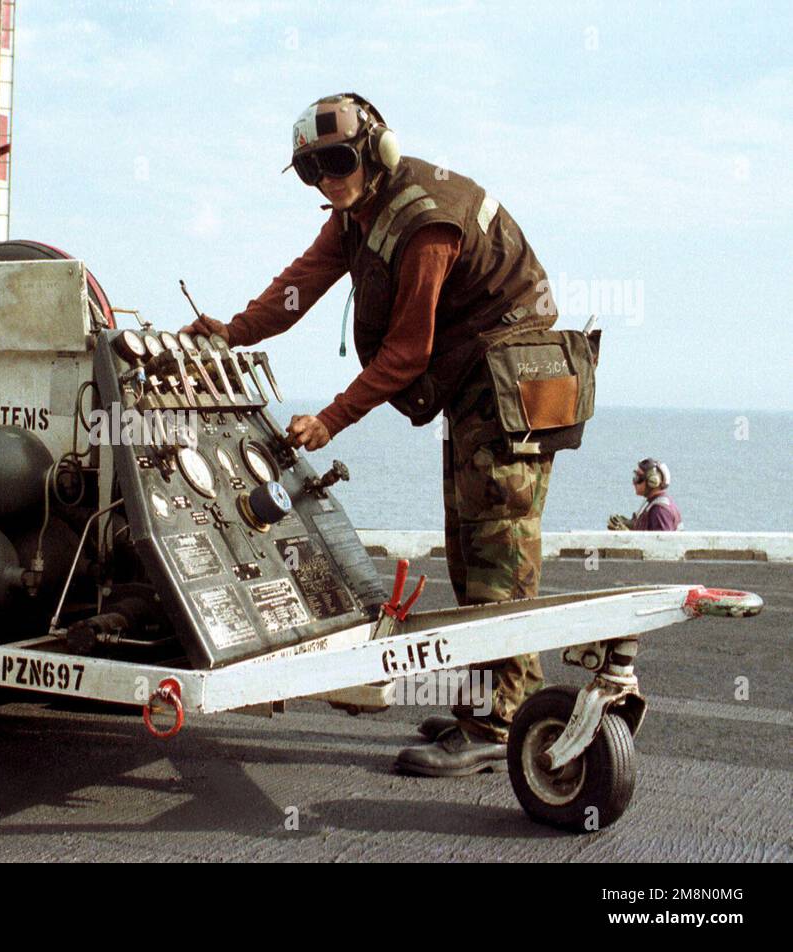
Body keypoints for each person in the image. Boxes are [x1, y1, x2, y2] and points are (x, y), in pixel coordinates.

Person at [181, 93, 557, 777]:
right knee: (471, 548)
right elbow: (300, 288)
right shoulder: (358, 217)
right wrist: (231, 333)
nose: (326, 179)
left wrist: (331, 418)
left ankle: (505, 720)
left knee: (498, 549)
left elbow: (408, 352)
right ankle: (491, 703)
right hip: (479, 387)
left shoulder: (423, 224)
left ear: (374, 152)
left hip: (511, 385)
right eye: (311, 171)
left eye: (336, 161)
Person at [608, 458, 682, 531]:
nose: (634, 482)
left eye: (638, 478)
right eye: (635, 477)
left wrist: (627, 535)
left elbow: (662, 542)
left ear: (652, 482)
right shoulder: (652, 503)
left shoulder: (659, 511)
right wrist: (629, 525)